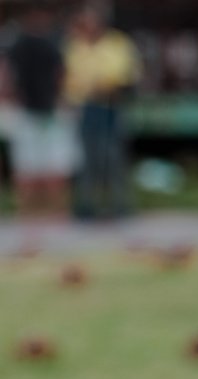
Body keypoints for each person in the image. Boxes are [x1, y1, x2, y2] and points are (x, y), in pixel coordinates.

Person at [64, 5, 142, 220]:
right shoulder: (75, 46)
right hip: (86, 108)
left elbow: (124, 74)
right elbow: (69, 79)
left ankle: (120, 206)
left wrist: (100, 85)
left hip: (112, 106)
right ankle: (86, 206)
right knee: (87, 160)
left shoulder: (117, 43)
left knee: (114, 157)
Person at [5, 3, 79, 217]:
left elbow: (62, 73)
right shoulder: (20, 44)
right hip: (28, 110)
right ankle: (28, 213)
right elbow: (9, 75)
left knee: (55, 165)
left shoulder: (53, 43)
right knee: (28, 166)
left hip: (49, 110)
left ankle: (57, 212)